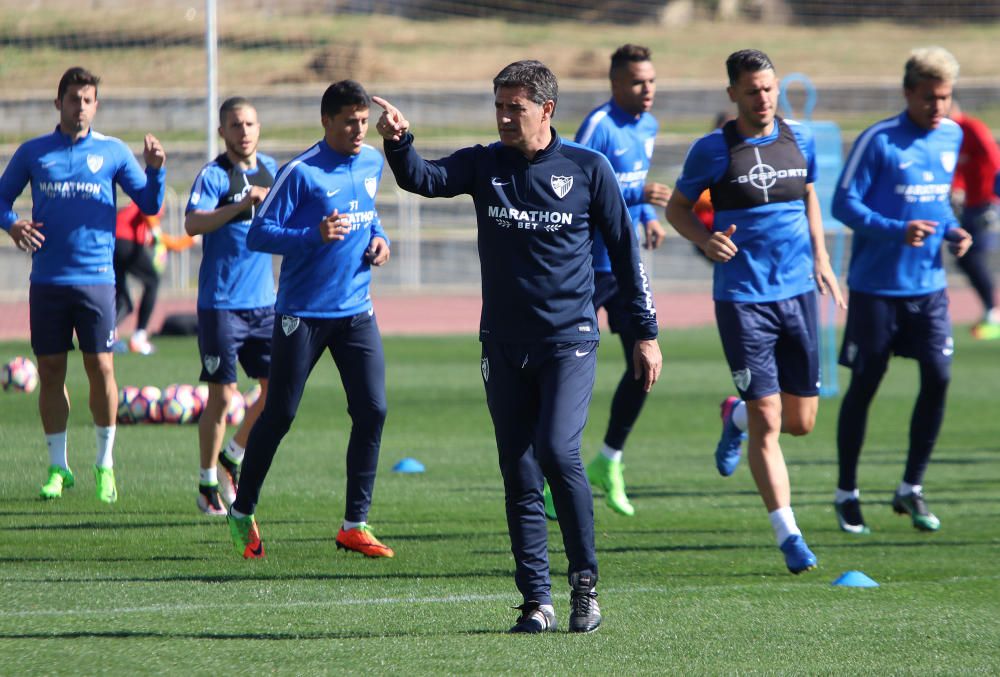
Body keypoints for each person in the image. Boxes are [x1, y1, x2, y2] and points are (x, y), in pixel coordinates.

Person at [373, 59, 662, 634]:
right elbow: (422, 179)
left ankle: (585, 587)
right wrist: (400, 144)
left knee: (558, 451)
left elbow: (626, 255)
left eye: (516, 108)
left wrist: (646, 331)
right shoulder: (485, 164)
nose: (506, 117)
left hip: (569, 341)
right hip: (503, 343)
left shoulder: (587, 168)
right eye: (500, 107)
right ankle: (537, 601)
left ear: (546, 110)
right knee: (519, 470)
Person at [664, 49, 844, 574]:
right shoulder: (713, 150)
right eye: (752, 90)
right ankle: (788, 533)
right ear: (733, 95)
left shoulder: (798, 139)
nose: (762, 98)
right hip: (743, 299)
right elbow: (678, 207)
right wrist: (704, 240)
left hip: (796, 296)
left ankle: (733, 414)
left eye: (768, 88)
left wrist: (823, 258)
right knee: (770, 418)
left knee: (801, 422)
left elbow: (809, 194)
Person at [226, 80, 394, 560]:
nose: (359, 130)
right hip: (302, 314)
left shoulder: (371, 162)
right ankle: (242, 510)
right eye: (349, 122)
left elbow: (369, 215)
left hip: (356, 311)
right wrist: (312, 234)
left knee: (373, 410)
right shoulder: (300, 171)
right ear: (327, 122)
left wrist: (381, 241)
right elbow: (260, 234)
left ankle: (354, 524)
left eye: (363, 121)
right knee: (279, 414)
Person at [0, 66, 166, 502]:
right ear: (59, 103)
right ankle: (59, 467)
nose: (80, 106)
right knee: (52, 371)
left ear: (96, 104)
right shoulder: (35, 152)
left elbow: (149, 202)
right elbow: (2, 198)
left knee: (102, 368)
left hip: (96, 279)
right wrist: (13, 225)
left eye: (88, 99)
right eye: (73, 99)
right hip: (49, 280)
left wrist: (156, 172)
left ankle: (105, 464)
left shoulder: (111, 153)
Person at [832, 47, 972, 534]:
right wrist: (896, 229)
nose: (940, 108)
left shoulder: (952, 134)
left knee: (939, 376)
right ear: (908, 93)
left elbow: (938, 205)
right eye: (931, 98)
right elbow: (843, 205)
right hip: (875, 289)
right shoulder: (879, 140)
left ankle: (910, 487)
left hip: (929, 287)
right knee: (866, 385)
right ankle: (847, 492)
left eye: (947, 98)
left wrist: (953, 231)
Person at [538, 44, 669, 519]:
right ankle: (552, 474)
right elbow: (576, 182)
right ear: (615, 84)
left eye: (651, 80)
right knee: (565, 370)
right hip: (585, 270)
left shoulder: (648, 126)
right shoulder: (599, 126)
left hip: (624, 268)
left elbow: (634, 185)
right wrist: (638, 194)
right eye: (637, 81)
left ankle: (608, 459)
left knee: (646, 365)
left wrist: (648, 212)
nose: (647, 89)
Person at [184, 97, 278, 516]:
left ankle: (233, 455)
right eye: (235, 125)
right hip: (221, 304)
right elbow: (192, 223)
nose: (244, 131)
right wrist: (240, 206)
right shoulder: (214, 175)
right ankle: (207, 484)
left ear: (259, 128)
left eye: (250, 124)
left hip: (265, 304)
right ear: (222, 131)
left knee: (279, 393)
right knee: (222, 398)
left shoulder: (273, 171)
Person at [948, 101, 1000, 340]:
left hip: (985, 204)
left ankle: (993, 311)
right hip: (969, 205)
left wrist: (993, 198)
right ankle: (990, 308)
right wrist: (957, 188)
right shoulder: (947, 135)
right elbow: (957, 170)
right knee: (965, 258)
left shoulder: (972, 128)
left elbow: (994, 160)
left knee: (976, 255)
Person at [112, 202, 164, 355]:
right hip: (126, 242)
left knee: (124, 300)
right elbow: (148, 211)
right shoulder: (152, 199)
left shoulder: (129, 206)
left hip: (111, 243)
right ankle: (139, 337)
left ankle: (107, 334)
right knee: (152, 281)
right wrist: (155, 232)